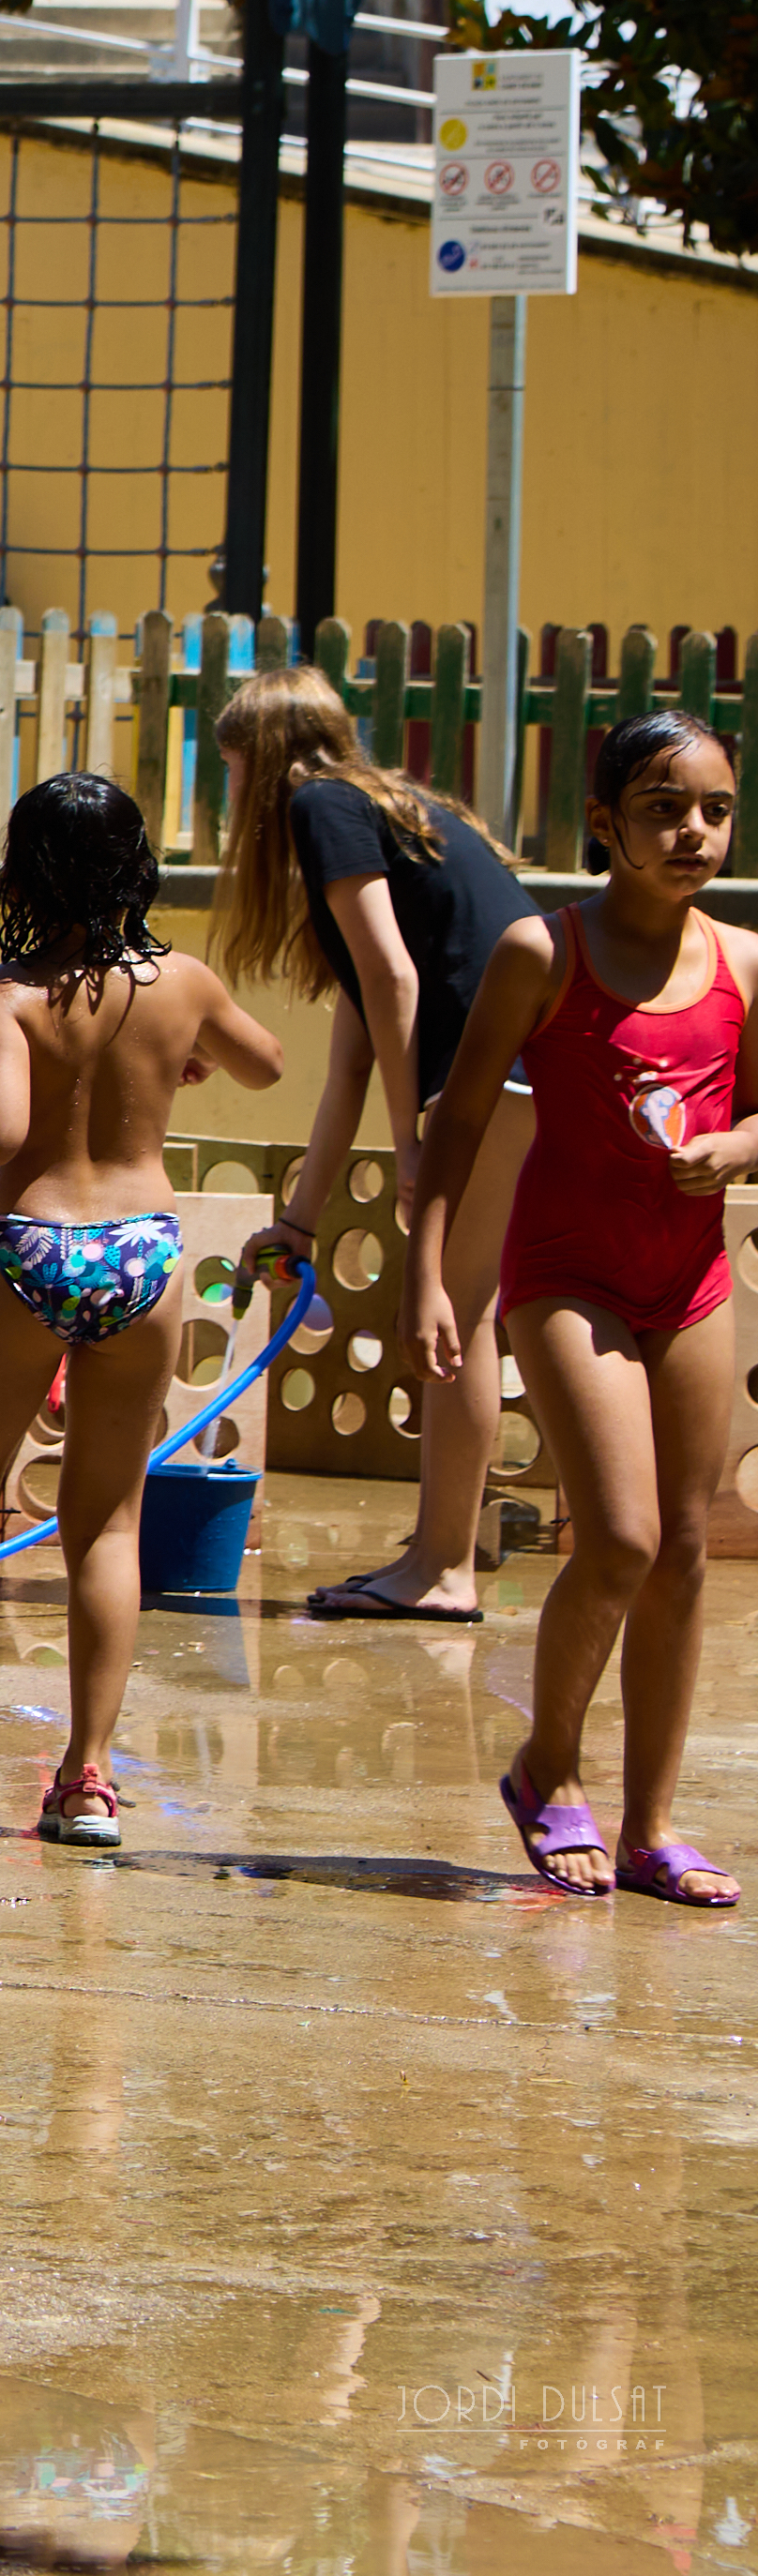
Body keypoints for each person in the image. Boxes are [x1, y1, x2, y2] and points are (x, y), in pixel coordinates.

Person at [0, 772, 283, 1846]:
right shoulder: (179, 979)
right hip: (143, 1251)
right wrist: (180, 1048)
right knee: (106, 1518)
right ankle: (87, 1779)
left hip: (36, 1244)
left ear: (26, 871)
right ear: (136, 868)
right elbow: (265, 1062)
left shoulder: (7, 994)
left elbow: (0, 1133)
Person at [407, 712, 747, 1907]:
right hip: (562, 1283)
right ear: (602, 824)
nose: (691, 829)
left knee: (687, 1552)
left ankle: (651, 1824)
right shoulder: (539, 953)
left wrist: (735, 1146)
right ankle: (547, 1768)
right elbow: (450, 1118)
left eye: (711, 806)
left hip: (687, 1284)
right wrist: (430, 1273)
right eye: (662, 808)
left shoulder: (745, 963)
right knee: (617, 1538)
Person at [214, 666, 548, 1623]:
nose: (230, 791)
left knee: (460, 1308)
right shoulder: (389, 811)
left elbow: (395, 982)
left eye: (232, 768)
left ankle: (442, 1567)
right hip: (524, 1069)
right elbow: (354, 1055)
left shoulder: (318, 806)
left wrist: (411, 1144)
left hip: (498, 1076)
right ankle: (436, 1544)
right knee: (464, 1305)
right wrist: (299, 1222)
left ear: (264, 760)